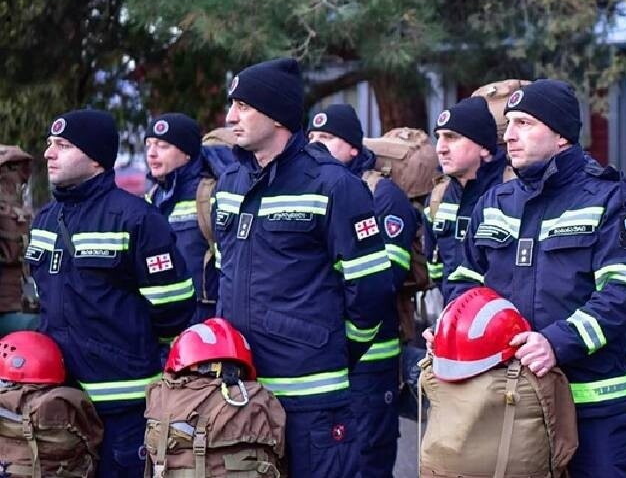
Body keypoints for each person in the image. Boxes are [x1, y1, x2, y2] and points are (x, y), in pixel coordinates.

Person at [444, 79, 626, 477]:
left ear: (561, 136)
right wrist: (455, 329)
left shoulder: (609, 197)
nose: (510, 136)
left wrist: (556, 342)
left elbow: (623, 293)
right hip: (511, 398)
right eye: (510, 124)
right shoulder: (495, 201)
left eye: (525, 123)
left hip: (593, 405)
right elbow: (465, 280)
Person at [213, 58, 394, 477]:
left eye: (243, 106)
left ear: (277, 115)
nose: (230, 117)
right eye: (231, 105)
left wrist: (334, 349)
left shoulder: (332, 185)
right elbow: (224, 276)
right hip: (242, 391)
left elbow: (371, 289)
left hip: (312, 399)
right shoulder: (229, 186)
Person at [26, 108, 194, 477]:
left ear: (96, 158)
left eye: (63, 145)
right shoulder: (44, 220)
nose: (49, 153)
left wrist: (131, 352)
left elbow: (174, 306)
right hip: (59, 403)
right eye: (49, 144)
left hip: (125, 407)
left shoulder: (136, 219)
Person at [307, 102, 417, 478]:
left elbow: (386, 278)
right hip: (328, 357)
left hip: (371, 358)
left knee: (368, 458)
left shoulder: (384, 196)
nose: (317, 145)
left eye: (328, 138)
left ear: (354, 148)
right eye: (313, 137)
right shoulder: (316, 190)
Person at [424, 96, 508, 295]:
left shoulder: (512, 192)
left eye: (452, 137)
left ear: (484, 147)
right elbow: (437, 271)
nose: (440, 148)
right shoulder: (438, 198)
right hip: (454, 318)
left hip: (504, 320)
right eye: (439, 137)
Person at [145, 113, 219, 325]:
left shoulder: (209, 194)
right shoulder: (151, 198)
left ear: (187, 153)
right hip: (162, 317)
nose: (151, 154)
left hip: (205, 316)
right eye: (148, 145)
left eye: (163, 146)